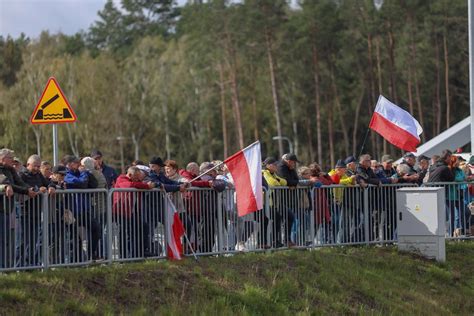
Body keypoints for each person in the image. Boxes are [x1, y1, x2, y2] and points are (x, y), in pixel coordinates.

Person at [19, 155, 56, 266]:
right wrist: (37, 189)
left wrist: (51, 186)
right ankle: (19, 266)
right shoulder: (22, 175)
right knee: (22, 241)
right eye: (35, 166)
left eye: (38, 166)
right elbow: (22, 187)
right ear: (28, 164)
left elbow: (47, 182)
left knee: (33, 241)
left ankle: (31, 265)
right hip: (24, 212)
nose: (36, 168)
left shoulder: (39, 174)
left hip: (36, 212)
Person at [63, 155, 100, 261]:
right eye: (76, 163)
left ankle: (91, 255)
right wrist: (83, 173)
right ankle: (75, 261)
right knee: (74, 238)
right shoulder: (66, 174)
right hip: (72, 211)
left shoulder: (80, 173)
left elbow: (94, 184)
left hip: (84, 210)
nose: (79, 165)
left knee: (96, 229)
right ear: (69, 164)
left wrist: (87, 172)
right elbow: (82, 184)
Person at [0, 148, 33, 268]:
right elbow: (5, 181)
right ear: (2, 159)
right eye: (10, 158)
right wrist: (24, 190)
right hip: (2, 209)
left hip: (8, 209)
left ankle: (6, 268)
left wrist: (29, 189)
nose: (13, 161)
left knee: (7, 240)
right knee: (2, 241)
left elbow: (19, 182)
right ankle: (3, 268)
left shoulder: (11, 169)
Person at [113, 166, 155, 258]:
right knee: (124, 233)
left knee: (142, 228)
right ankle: (123, 257)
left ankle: (138, 253)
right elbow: (129, 185)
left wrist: (148, 185)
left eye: (139, 176)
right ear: (130, 174)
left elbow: (138, 184)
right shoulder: (121, 178)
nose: (138, 178)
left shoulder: (136, 181)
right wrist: (147, 186)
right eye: (136, 176)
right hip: (121, 211)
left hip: (133, 212)